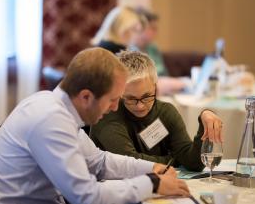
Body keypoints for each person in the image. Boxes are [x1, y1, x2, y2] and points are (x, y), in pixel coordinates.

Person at [0, 48, 190, 204]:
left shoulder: (53, 106)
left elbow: (99, 161)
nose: (115, 108)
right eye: (112, 100)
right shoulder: (50, 121)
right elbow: (87, 198)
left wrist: (152, 167)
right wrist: (152, 183)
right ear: (86, 96)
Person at [90, 51, 223, 172]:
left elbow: (193, 163)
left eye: (147, 96)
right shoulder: (106, 114)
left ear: (155, 86)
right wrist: (173, 160)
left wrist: (204, 119)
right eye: (131, 98)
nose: (140, 106)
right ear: (119, 91)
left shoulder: (166, 112)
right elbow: (130, 163)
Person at [130, 7, 190, 95]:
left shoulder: (153, 48)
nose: (156, 32)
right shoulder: (127, 51)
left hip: (161, 92)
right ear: (139, 27)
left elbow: (163, 74)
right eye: (152, 28)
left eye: (156, 28)